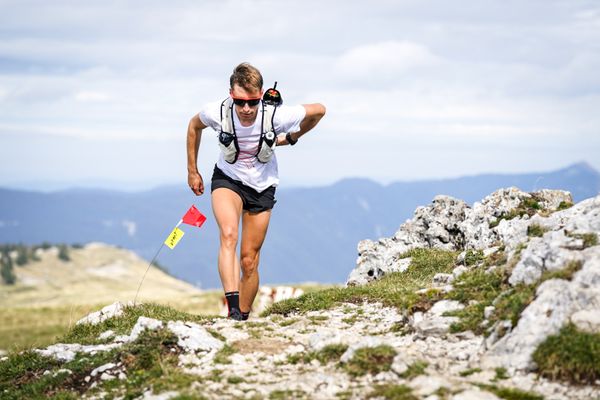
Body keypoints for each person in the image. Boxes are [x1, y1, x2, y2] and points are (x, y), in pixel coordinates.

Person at [186, 62, 326, 320]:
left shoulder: (277, 115)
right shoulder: (217, 112)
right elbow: (194, 126)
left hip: (263, 186)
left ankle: (242, 318)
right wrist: (192, 170)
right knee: (228, 234)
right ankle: (233, 310)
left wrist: (294, 136)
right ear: (231, 95)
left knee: (249, 261)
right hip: (228, 178)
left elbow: (319, 111)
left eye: (252, 102)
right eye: (240, 102)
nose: (247, 109)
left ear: (261, 95)